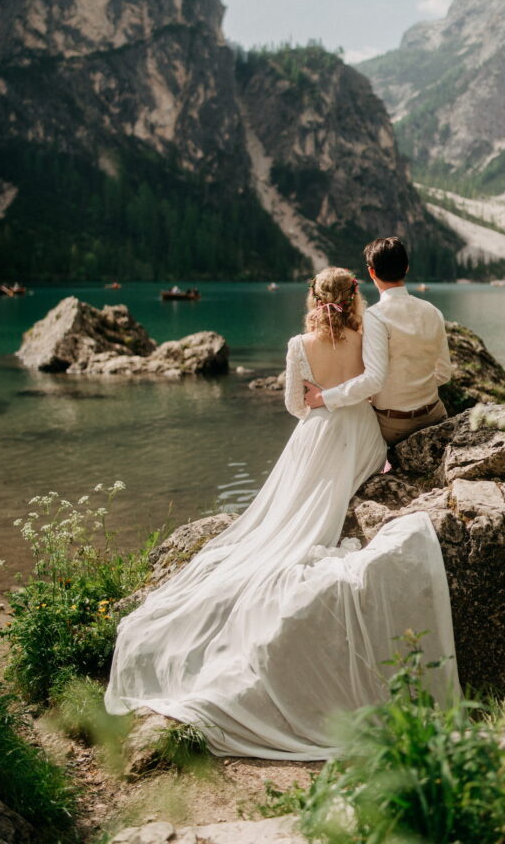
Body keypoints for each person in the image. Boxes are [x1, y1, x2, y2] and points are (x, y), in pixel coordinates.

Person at [105, 266, 460, 759]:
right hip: (361, 436)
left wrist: (321, 404)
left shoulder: (298, 345)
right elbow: (375, 386)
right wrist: (345, 401)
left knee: (279, 520)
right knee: (320, 514)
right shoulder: (366, 332)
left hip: (314, 435)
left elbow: (297, 407)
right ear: (354, 295)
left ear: (313, 298)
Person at [304, 237, 451, 446]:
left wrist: (324, 398)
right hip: (435, 416)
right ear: (406, 268)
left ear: (371, 272)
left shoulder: (376, 316)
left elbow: (374, 380)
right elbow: (444, 373)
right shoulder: (433, 311)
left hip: (394, 426)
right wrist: (415, 384)